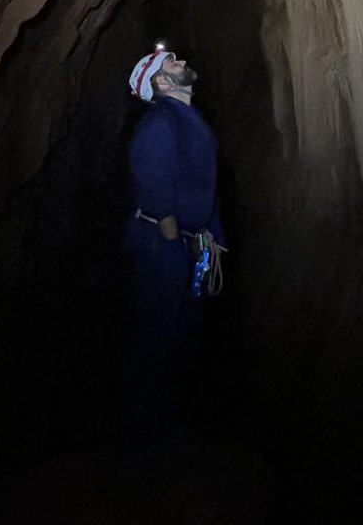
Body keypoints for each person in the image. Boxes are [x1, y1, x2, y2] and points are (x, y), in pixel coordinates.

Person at [119, 43, 224, 451]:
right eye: (171, 62)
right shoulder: (160, 121)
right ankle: (137, 438)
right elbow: (156, 186)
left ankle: (165, 426)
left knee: (182, 336)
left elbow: (202, 187)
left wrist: (210, 239)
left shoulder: (187, 118)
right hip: (162, 246)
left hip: (189, 242)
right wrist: (174, 248)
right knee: (155, 336)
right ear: (162, 82)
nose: (181, 61)